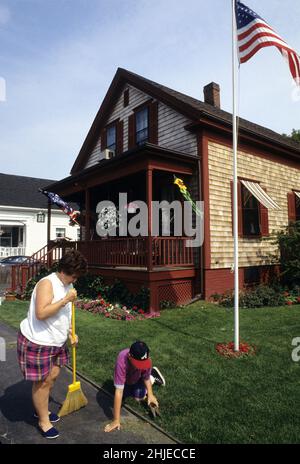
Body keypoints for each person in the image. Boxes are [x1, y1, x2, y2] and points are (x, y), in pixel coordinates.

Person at [17, 250, 87, 439]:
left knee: (53, 376)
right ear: (65, 270)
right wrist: (65, 300)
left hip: (56, 342)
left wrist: (72, 333)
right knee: (42, 382)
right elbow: (41, 313)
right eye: (75, 275)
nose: (76, 280)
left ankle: (41, 409)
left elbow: (65, 315)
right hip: (38, 341)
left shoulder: (68, 285)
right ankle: (42, 420)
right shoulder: (48, 284)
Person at [104, 340, 165, 433]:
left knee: (139, 397)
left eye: (143, 364)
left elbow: (146, 378)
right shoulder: (122, 360)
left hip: (139, 378)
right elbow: (119, 391)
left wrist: (151, 395)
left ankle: (153, 375)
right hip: (128, 379)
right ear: (129, 356)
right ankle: (141, 382)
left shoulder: (146, 360)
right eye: (139, 364)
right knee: (123, 394)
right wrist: (116, 420)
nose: (141, 366)